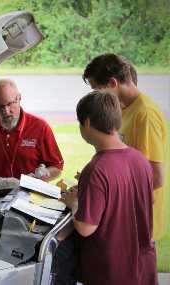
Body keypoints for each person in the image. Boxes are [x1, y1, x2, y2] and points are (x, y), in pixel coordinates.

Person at [61, 91, 157, 285]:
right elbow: (143, 201)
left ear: (87, 123)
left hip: (110, 272)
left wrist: (74, 203)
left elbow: (86, 227)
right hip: (142, 268)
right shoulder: (140, 160)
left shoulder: (96, 169)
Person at [83, 53, 168, 240]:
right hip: (127, 212)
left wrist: (110, 197)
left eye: (97, 89)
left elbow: (156, 177)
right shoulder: (123, 108)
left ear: (113, 83)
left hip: (141, 218)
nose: (96, 96)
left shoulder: (145, 114)